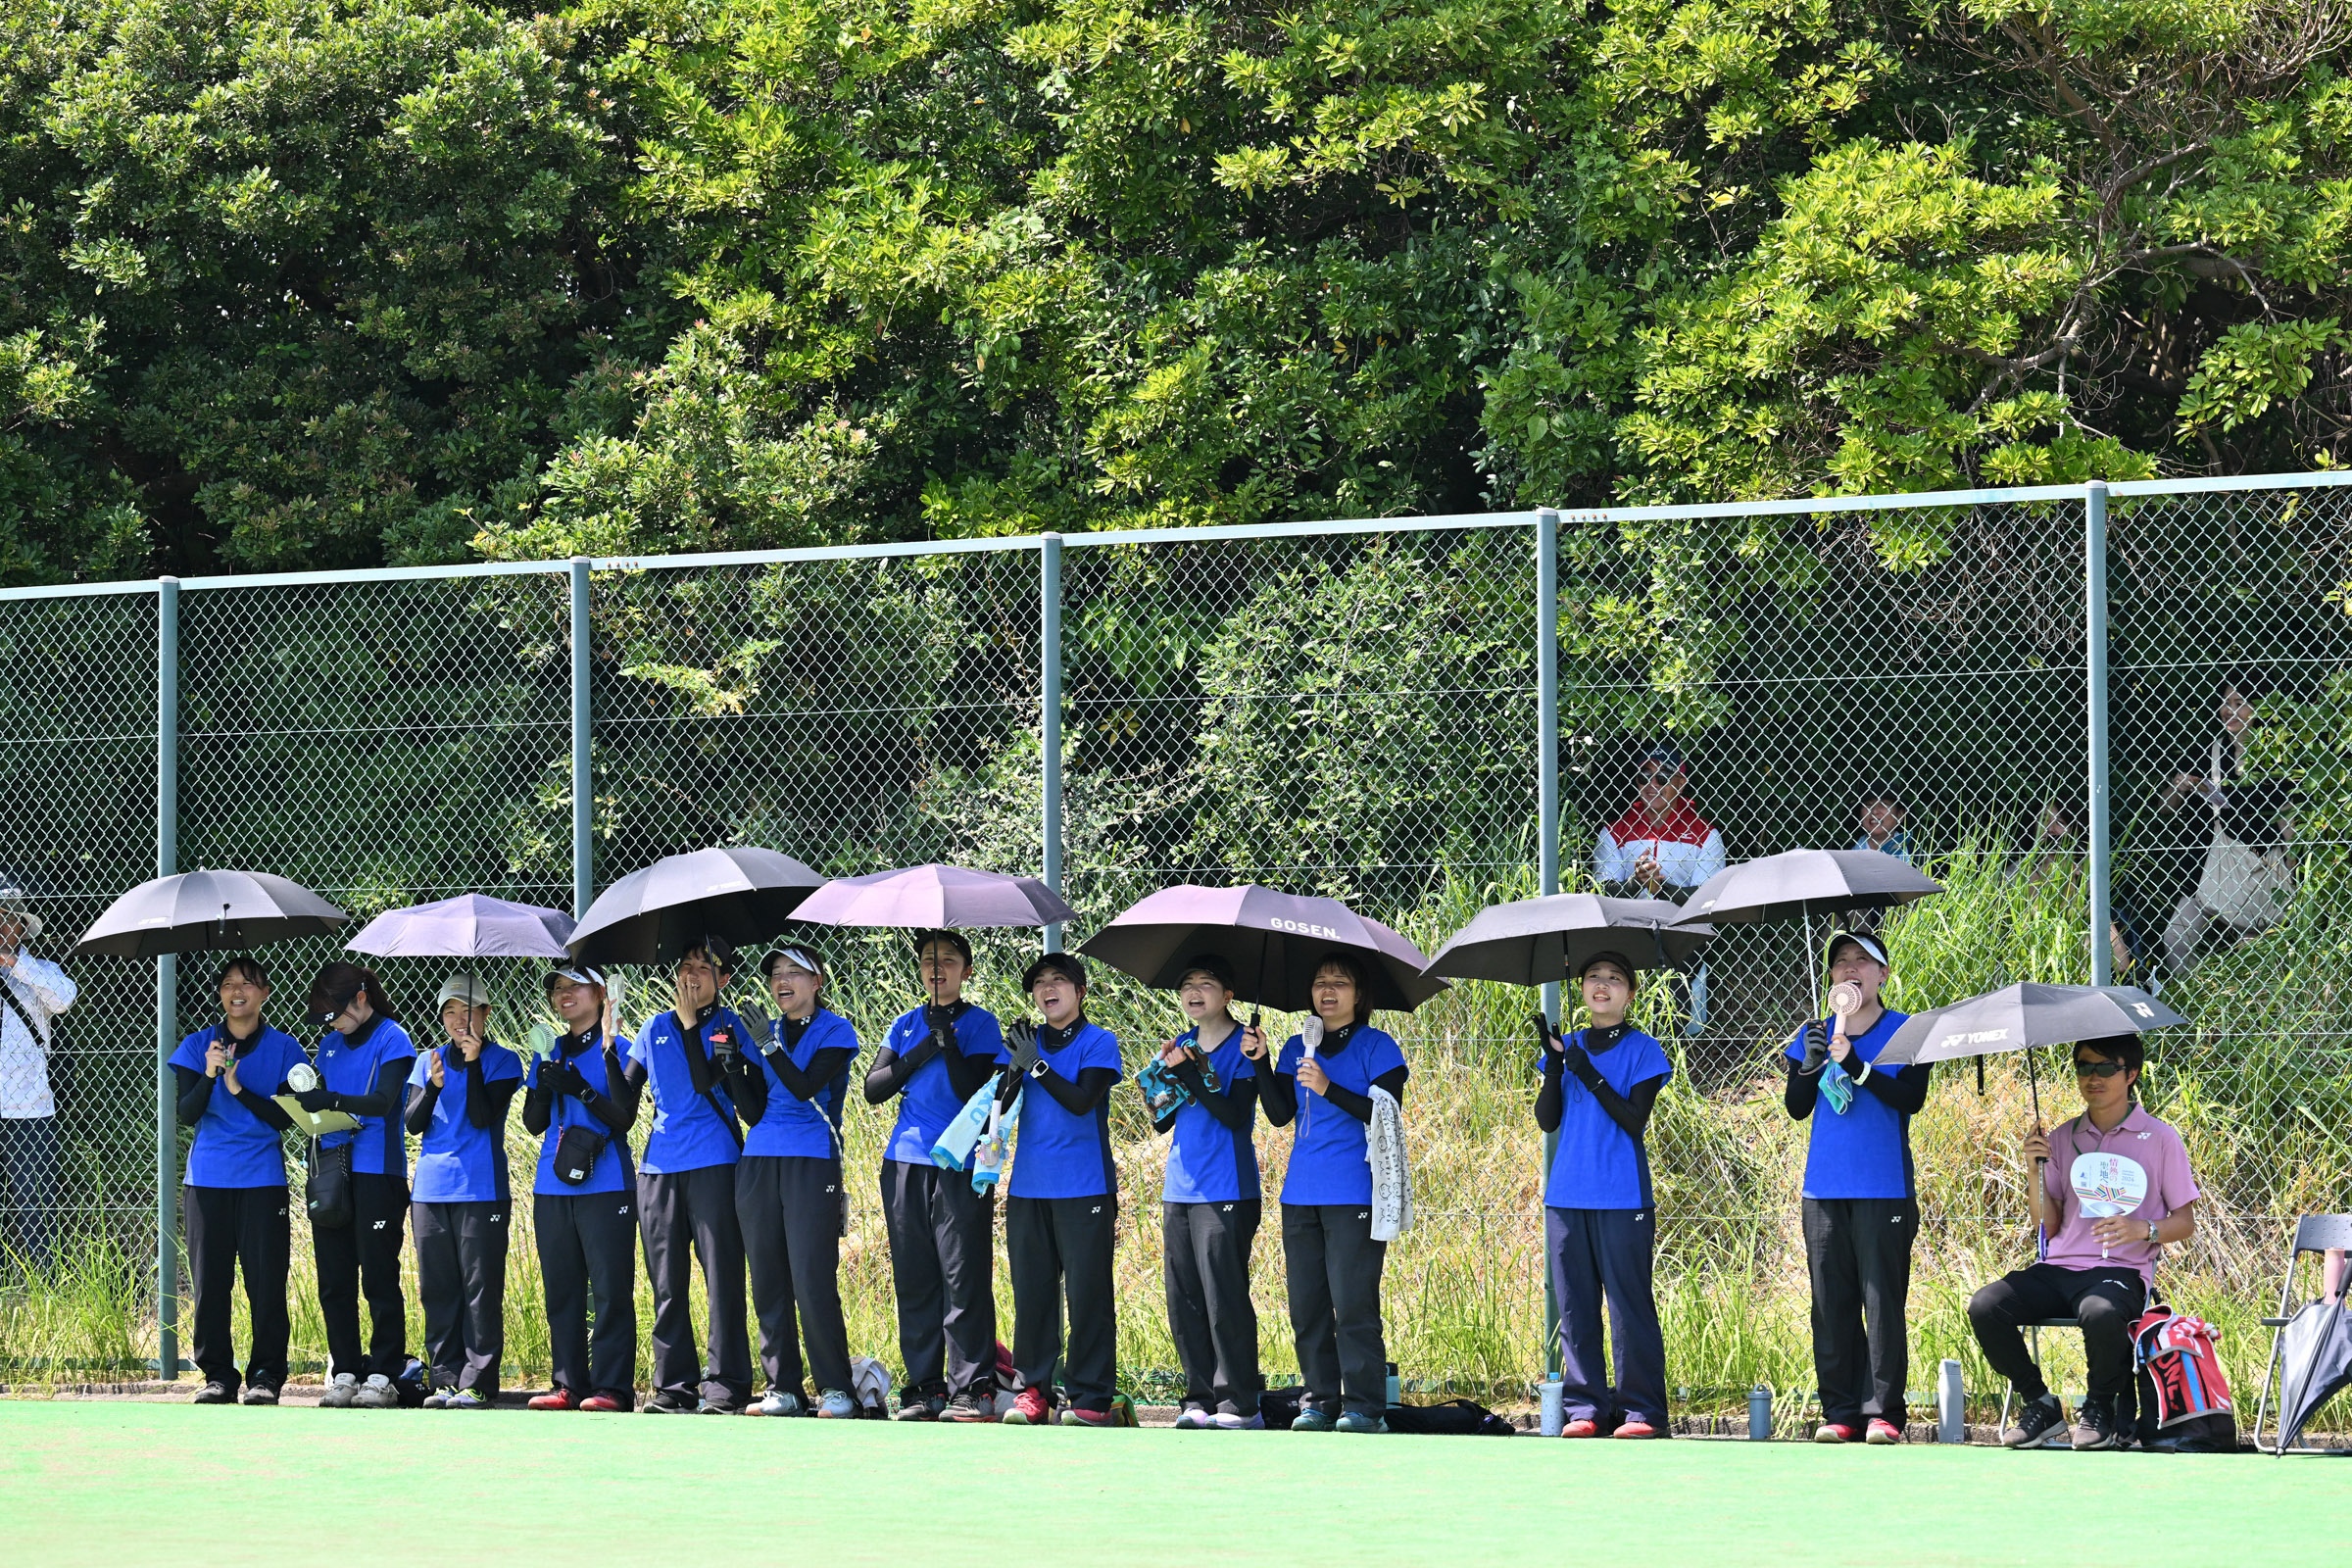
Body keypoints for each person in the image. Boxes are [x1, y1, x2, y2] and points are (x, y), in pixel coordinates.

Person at [1969, 1033, 2200, 1451]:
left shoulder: (2160, 1138)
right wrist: (2034, 1170)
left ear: (2131, 1074)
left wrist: (2142, 1229)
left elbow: (2185, 1223)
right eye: (2084, 1067)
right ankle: (2040, 1404)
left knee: (2100, 1311)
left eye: (2106, 1067)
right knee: (1986, 1305)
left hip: (2120, 1272)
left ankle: (2100, 1408)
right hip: (2058, 1267)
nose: (2093, 1078)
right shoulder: (2062, 1137)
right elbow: (2047, 1225)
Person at [1247, 951, 1409, 1434]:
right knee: (1307, 1306)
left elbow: (1386, 1114)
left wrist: (1327, 1086)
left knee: (1353, 1304)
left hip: (1354, 1192)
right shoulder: (1297, 1046)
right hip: (1300, 1194)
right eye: (1320, 982)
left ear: (1360, 995)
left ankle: (1365, 1407)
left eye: (1340, 982)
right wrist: (1260, 1062)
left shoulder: (1378, 1047)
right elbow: (1280, 1114)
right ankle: (1319, 1400)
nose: (1327, 991)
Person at [1781, 930, 1927, 1445]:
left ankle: (1883, 1412)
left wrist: (1856, 1067)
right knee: (1830, 1301)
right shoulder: (1813, 1033)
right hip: (1823, 1189)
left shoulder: (1907, 1031)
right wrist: (1811, 1063)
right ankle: (1840, 1409)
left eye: (1863, 960)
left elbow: (1911, 1099)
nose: (1850, 968)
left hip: (1884, 1187)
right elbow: (1797, 1107)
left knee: (1882, 1300)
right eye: (1841, 960)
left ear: (1882, 974)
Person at [864, 929, 1009, 1422]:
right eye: (929, 960)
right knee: (915, 1276)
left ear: (966, 970)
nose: (937, 968)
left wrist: (949, 1047)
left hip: (959, 1163)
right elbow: (874, 1089)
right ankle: (925, 1387)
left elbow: (978, 1091)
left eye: (948, 959)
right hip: (905, 1161)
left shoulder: (981, 1024)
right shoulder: (905, 1024)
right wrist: (925, 1047)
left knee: (962, 1275)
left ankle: (972, 1388)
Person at [721, 945, 860, 1419]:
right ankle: (783, 1387)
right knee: (767, 1277)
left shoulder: (836, 1031)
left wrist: (765, 1045)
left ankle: (836, 1388)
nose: (782, 980)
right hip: (758, 1159)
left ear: (816, 982)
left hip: (812, 1158)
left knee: (811, 1277)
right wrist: (732, 1067)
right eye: (776, 973)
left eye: (794, 972)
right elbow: (753, 1110)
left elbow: (803, 1088)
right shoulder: (765, 1033)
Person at [1537, 952, 1671, 1439]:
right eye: (1594, 976)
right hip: (1567, 1195)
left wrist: (1589, 1073)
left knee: (1629, 1305)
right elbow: (1547, 1119)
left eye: (1615, 978)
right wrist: (1556, 1067)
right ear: (1581, 988)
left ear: (1629, 993)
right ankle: (1585, 1410)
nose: (1602, 984)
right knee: (1574, 1306)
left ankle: (1642, 1412)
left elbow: (1634, 1120)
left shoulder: (1643, 1050)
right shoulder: (1568, 1045)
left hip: (1622, 1196)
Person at [621, 937, 755, 1414]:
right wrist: (607, 1048)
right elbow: (624, 1103)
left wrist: (691, 1024)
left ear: (724, 979)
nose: (691, 974)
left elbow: (705, 1082)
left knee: (722, 1277)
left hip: (715, 1161)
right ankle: (674, 1386)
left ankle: (726, 1383)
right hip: (658, 1168)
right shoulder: (653, 1027)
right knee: (666, 1282)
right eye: (685, 964)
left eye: (704, 966)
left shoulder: (731, 1027)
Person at [168, 956, 305, 1405]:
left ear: (265, 993)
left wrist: (239, 1090)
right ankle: (218, 1376)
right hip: (207, 1180)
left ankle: (266, 1376)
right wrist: (210, 1075)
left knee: (266, 1283)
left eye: (247, 983)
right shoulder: (197, 1045)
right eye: (228, 984)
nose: (237, 991)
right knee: (210, 1282)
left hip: (262, 1180)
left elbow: (284, 1119)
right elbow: (187, 1113)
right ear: (220, 994)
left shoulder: (285, 1049)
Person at [999, 952, 1125, 1428]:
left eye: (1058, 980)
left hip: (1085, 1184)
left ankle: (1090, 1395)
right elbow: (1000, 1104)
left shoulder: (1099, 1041)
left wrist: (1035, 1065)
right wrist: (1014, 1065)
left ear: (1080, 991)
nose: (1047, 989)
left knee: (1089, 1292)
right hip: (1028, 1186)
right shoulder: (1025, 1041)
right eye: (1039, 983)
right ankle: (1033, 1389)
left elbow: (1081, 1100)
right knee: (1032, 1292)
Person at [1151, 955, 1263, 1430]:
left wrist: (1190, 1073)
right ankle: (1197, 1399)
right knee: (1185, 1299)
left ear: (1229, 995)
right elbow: (1161, 1119)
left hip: (1227, 1186)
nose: (1194, 992)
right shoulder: (1180, 1045)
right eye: (1187, 985)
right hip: (1180, 1186)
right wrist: (1161, 1075)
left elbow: (1235, 1115)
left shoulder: (1246, 1046)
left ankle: (1240, 1404)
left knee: (1224, 1298)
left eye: (1206, 983)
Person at [520, 963, 640, 1413]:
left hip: (606, 1183)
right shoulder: (548, 1050)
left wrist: (582, 1090)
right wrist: (544, 1087)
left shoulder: (620, 1048)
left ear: (601, 993)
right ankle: (568, 1383)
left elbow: (623, 1116)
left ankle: (612, 1388)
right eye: (558, 987)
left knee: (610, 1288)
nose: (564, 993)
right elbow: (534, 1124)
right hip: (552, 1185)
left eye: (575, 985)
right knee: (562, 1287)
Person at [406, 973, 524, 1409]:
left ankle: (478, 1381)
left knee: (480, 1287)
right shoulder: (428, 1060)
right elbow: (413, 1123)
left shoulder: (504, 1061)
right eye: (450, 1011)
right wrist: (434, 1088)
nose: (459, 1019)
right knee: (438, 1288)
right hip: (429, 1191)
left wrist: (473, 1064)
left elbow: (481, 1116)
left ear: (486, 1014)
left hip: (480, 1188)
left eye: (468, 1010)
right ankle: (445, 1379)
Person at [303, 961, 417, 1409]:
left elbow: (383, 1101)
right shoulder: (329, 1045)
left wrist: (331, 1099)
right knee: (334, 1278)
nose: (332, 1023)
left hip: (377, 1171)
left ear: (361, 998)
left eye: (336, 1012)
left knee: (378, 1274)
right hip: (332, 1169)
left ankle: (384, 1373)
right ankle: (345, 1371)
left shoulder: (392, 1037)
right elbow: (320, 1101)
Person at [1592, 744, 1723, 1030]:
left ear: (1681, 783)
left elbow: (1708, 899)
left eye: (1662, 778)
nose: (1652, 785)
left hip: (1681, 935)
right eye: (1644, 777)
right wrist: (1636, 882)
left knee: (1683, 954)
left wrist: (1660, 887)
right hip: (1627, 931)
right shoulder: (1615, 829)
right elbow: (1602, 892)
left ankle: (1674, 1039)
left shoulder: (1705, 832)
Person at [0, 884, 76, 1274]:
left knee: (35, 1205)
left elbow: (64, 999)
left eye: (9, 919)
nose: (2, 927)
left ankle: (44, 1282)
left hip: (28, 1107)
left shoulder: (41, 971)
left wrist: (14, 963)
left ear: (22, 928)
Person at [1852, 785, 1913, 863]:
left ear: (1900, 815)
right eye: (1868, 805)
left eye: (1884, 805)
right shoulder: (1845, 853)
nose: (1874, 811)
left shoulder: (1916, 854)